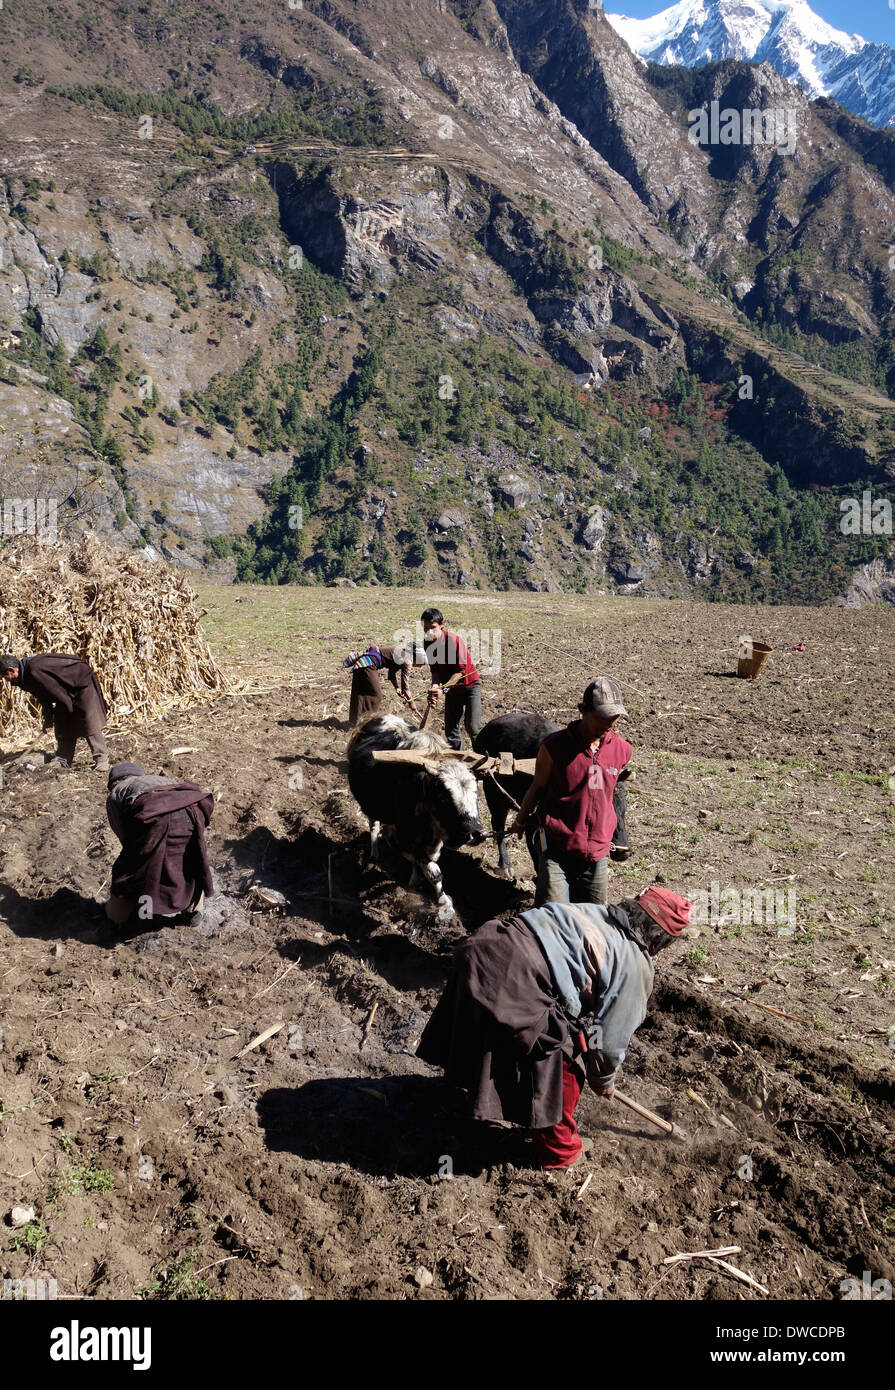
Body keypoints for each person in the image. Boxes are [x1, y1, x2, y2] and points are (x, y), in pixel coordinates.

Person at [418, 886, 691, 1170]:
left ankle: (468, 1098)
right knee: (565, 1063)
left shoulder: (591, 911)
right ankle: (560, 1151)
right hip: (516, 975)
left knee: (496, 1028)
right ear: (659, 939)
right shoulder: (634, 964)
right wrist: (602, 1079)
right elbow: (609, 1041)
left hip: (480, 949)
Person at [509, 677, 632, 906]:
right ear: (582, 711)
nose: (609, 724)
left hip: (597, 852)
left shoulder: (622, 750)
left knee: (593, 919)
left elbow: (608, 794)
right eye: (602, 717)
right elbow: (537, 789)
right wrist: (520, 821)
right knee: (554, 915)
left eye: (614, 717)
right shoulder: (554, 747)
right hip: (558, 848)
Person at [104, 763, 214, 928]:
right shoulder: (162, 780)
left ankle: (123, 919)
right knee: (190, 862)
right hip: (192, 813)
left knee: (132, 872)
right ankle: (193, 911)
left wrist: (143, 856)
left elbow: (124, 836)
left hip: (155, 818)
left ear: (113, 782)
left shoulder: (117, 791)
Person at [0, 652, 109, 771]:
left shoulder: (34, 669)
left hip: (80, 683)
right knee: (62, 723)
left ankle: (102, 759)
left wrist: (69, 709)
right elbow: (43, 697)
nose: (5, 679)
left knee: (88, 721)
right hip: (64, 692)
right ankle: (63, 759)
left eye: (4, 676)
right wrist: (49, 720)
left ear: (11, 670)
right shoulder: (24, 677)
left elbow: (55, 690)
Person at [421, 608, 482, 750]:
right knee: (451, 731)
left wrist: (443, 689)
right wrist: (435, 687)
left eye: (433, 628)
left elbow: (460, 671)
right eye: (425, 629)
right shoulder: (427, 643)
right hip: (451, 690)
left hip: (469, 686)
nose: (429, 632)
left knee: (473, 726)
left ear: (442, 624)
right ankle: (458, 759)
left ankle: (481, 756)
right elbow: (435, 670)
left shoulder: (453, 641)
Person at [345, 643, 423, 727]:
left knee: (361, 694)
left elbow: (391, 673)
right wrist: (411, 702)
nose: (420, 666)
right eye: (421, 664)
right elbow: (405, 688)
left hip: (362, 663)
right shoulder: (407, 660)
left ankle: (355, 723)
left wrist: (396, 687)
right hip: (367, 664)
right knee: (376, 696)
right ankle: (367, 724)